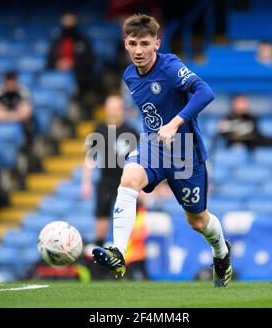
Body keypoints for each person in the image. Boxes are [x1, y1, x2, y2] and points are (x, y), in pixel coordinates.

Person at [92, 14, 232, 288]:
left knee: (198, 221)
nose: (139, 50)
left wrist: (176, 122)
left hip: (184, 152)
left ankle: (221, 253)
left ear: (157, 42)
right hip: (154, 145)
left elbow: (205, 91)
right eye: (133, 43)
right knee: (129, 178)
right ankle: (118, 252)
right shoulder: (129, 76)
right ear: (125, 44)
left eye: (145, 43)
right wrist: (158, 132)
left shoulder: (169, 67)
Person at [81, 94, 139, 249]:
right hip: (106, 180)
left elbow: (141, 160)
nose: (113, 112)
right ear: (106, 110)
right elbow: (89, 157)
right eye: (110, 108)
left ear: (122, 110)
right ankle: (99, 250)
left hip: (127, 182)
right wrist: (86, 182)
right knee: (101, 214)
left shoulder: (131, 131)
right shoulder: (99, 130)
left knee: (129, 216)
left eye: (116, 108)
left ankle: (129, 252)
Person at [46, 12, 100, 119]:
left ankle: (82, 110)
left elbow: (90, 59)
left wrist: (73, 64)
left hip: (80, 76)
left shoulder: (83, 40)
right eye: (66, 20)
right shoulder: (56, 41)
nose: (68, 23)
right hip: (59, 77)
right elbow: (49, 62)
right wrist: (58, 64)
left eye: (71, 20)